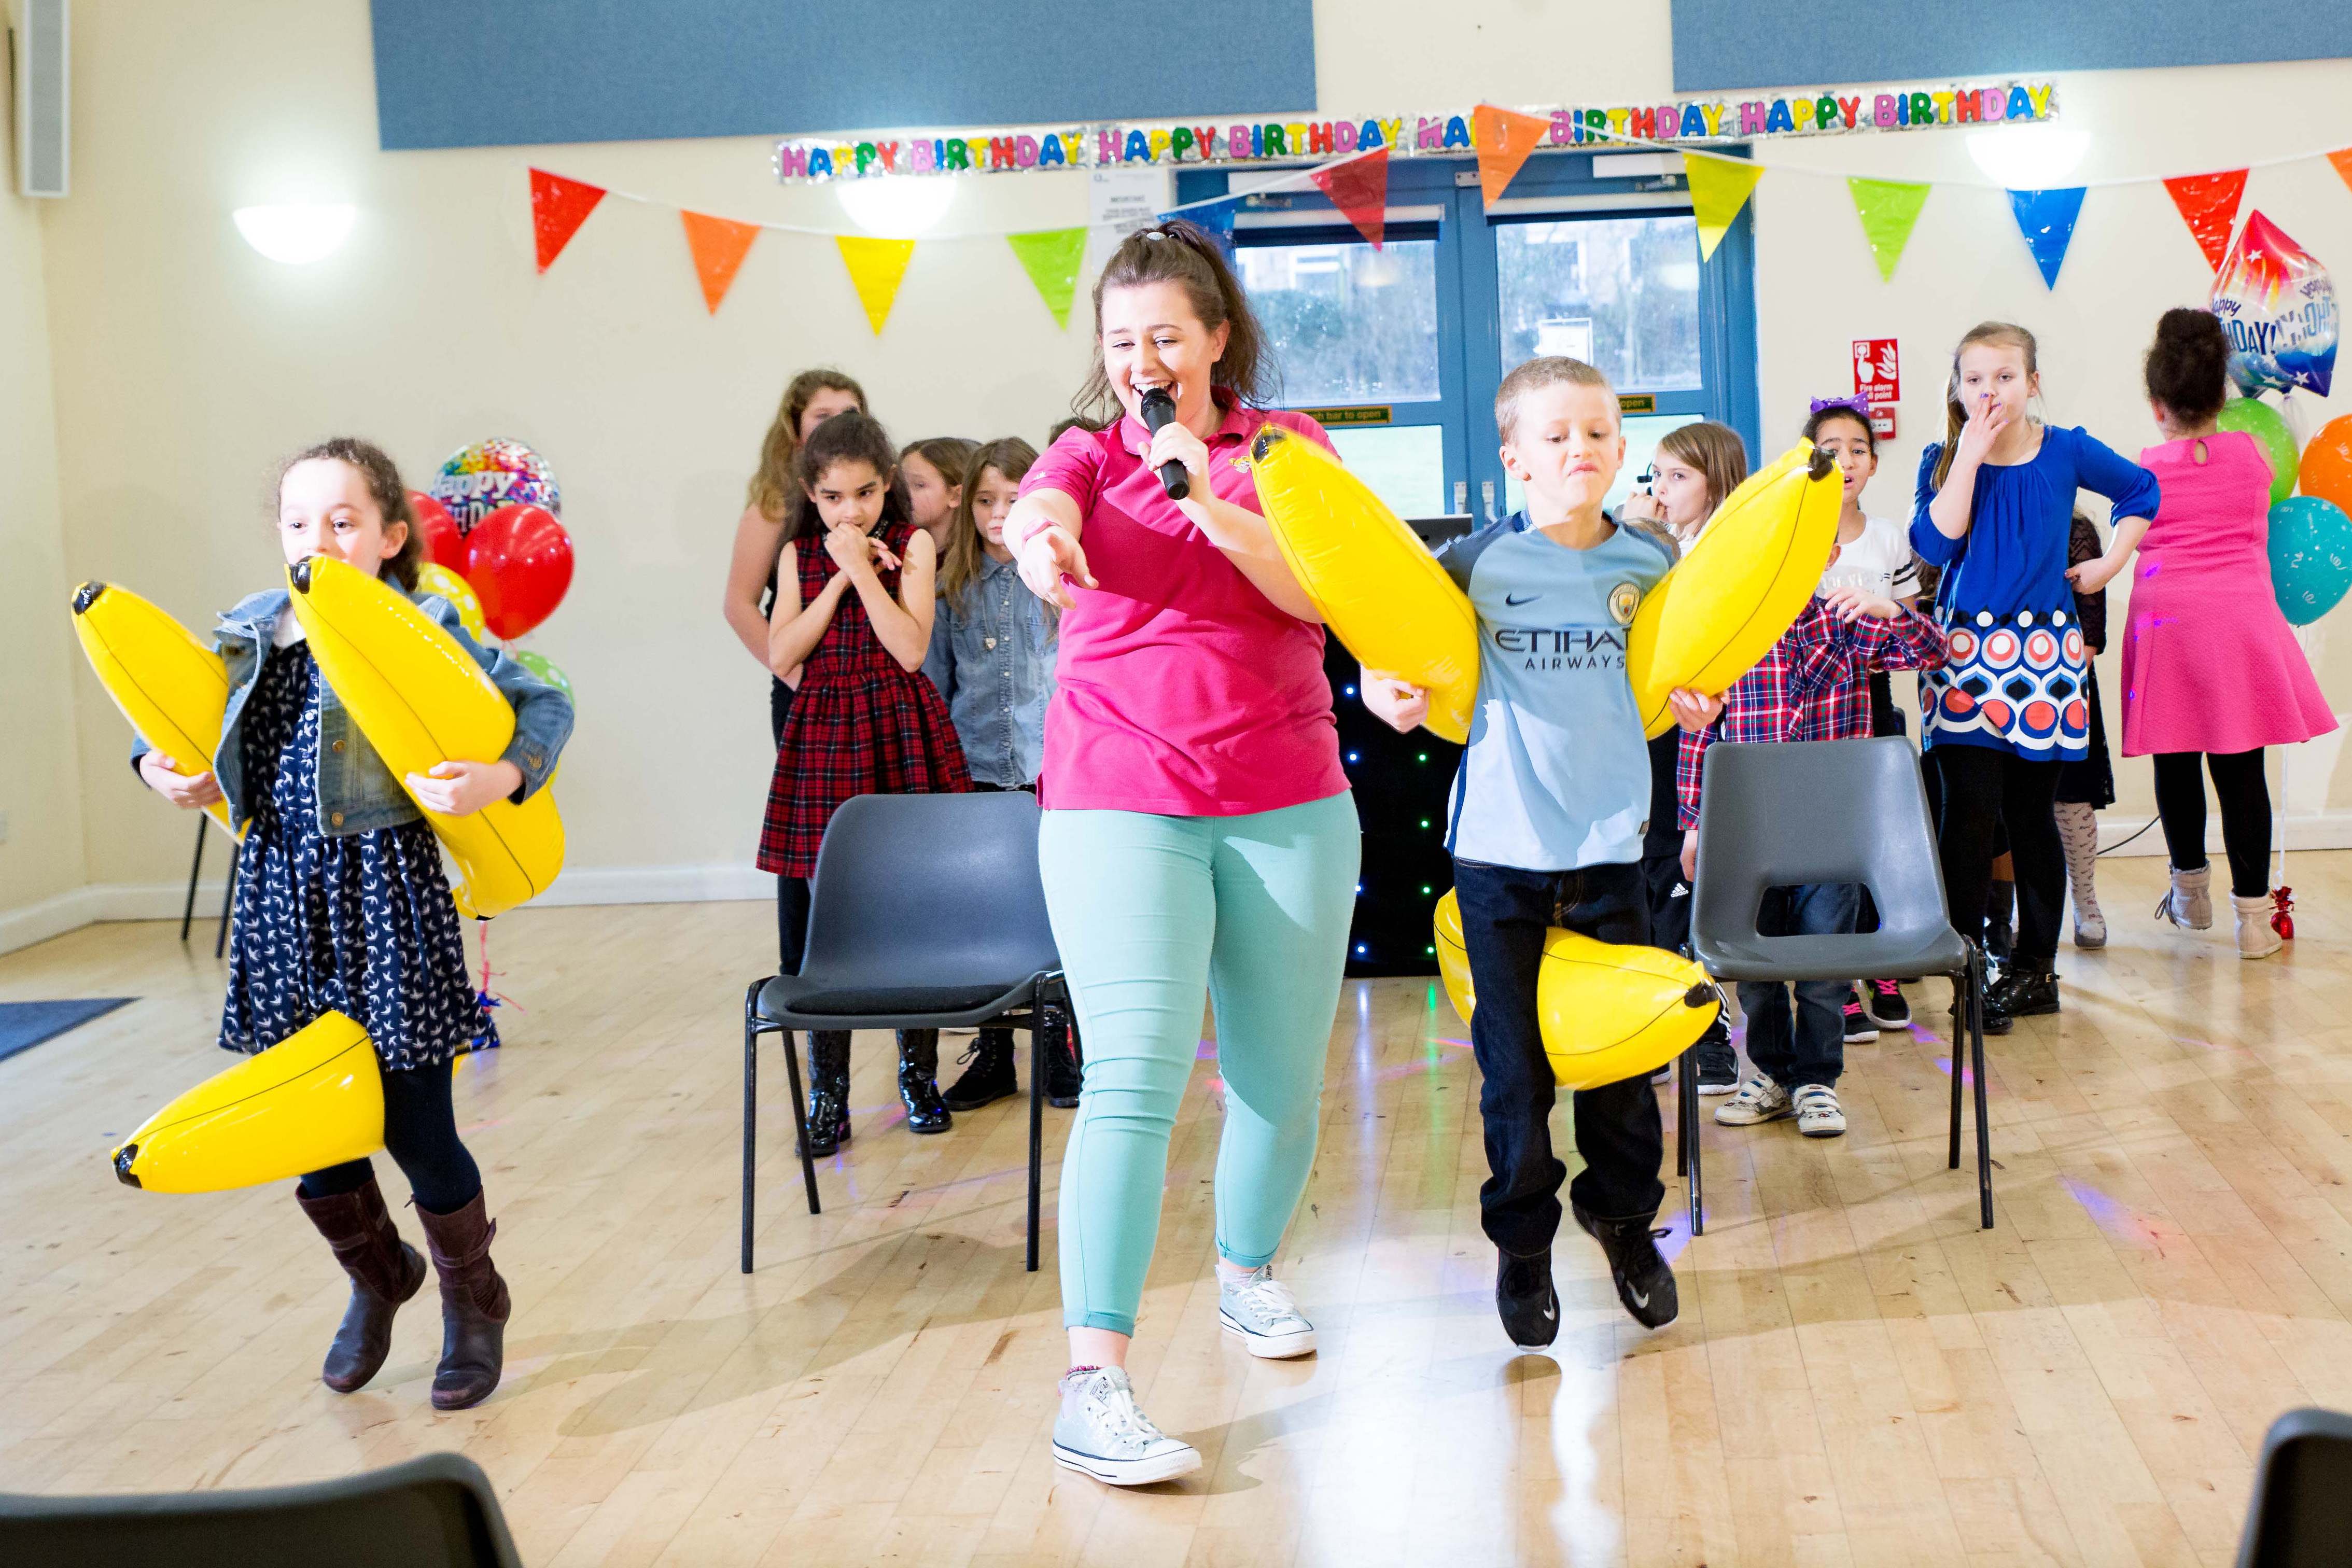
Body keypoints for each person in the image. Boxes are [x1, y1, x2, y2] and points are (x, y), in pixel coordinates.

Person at [1005, 219, 1357, 1488]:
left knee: (1274, 1080)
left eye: (1165, 335)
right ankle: (1092, 1381)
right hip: (1117, 795)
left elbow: (1322, 592)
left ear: (1216, 338)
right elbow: (1039, 509)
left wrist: (1199, 494)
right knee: (1137, 1079)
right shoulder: (1089, 451)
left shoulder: (1287, 452)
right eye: (1120, 341)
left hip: (1289, 796)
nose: (1142, 359)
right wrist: (1040, 537)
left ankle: (1248, 1273)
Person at [133, 438, 572, 1411]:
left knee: (416, 1123)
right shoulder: (251, 631)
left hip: (385, 897)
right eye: (299, 523)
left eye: (343, 521)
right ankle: (380, 1273)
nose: (318, 541)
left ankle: (474, 1297)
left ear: (389, 536)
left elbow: (543, 696)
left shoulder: (417, 626)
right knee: (311, 1125)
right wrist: (158, 768)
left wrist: (504, 774)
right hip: (281, 898)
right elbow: (160, 713)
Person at [1365, 357, 1721, 1350]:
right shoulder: (1473, 564)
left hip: (1614, 849)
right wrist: (1380, 692)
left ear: (1621, 447)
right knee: (1515, 1076)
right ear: (1514, 456)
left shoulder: (1651, 566)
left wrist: (1702, 699)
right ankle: (1523, 1246)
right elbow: (1392, 651)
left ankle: (1620, 1219)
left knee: (1620, 1067)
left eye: (1599, 432)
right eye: (1556, 435)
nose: (1581, 449)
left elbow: (1685, 671)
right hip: (1498, 856)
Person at [1912, 321, 2159, 1032]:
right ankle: (1965, 974)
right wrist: (1970, 455)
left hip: (2046, 663)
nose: (1991, 391)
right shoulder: (1944, 456)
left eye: (2006, 376)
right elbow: (1935, 542)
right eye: (1975, 379)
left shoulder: (2067, 450)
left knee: (2032, 818)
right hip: (1962, 660)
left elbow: (2142, 491)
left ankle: (2034, 971)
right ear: (1958, 389)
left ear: (2033, 382)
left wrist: (2109, 566)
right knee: (1969, 816)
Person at [2070, 307, 2336, 958]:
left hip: (2169, 622)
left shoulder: (2145, 466)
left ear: (2157, 403)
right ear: (2221, 394)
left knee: (2176, 758)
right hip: (2240, 621)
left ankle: (2190, 896)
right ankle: (2253, 924)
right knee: (2242, 768)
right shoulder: (2250, 457)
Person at [1679, 541, 1947, 1140]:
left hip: (1836, 834)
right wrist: (1695, 823)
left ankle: (1817, 1080)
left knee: (1827, 963)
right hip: (1749, 838)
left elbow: (1934, 652)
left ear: (1824, 556)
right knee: (1757, 967)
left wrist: (1888, 610)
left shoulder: (1845, 623)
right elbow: (1700, 737)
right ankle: (1774, 1075)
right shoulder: (1727, 637)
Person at [759, 412, 971, 1151]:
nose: (850, 512)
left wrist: (864, 573)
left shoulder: (911, 545)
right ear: (811, 497)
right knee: (832, 924)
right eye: (833, 498)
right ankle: (831, 1098)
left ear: (887, 488)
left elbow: (911, 650)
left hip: (897, 734)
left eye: (864, 494)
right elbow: (783, 653)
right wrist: (836, 579)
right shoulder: (794, 557)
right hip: (824, 740)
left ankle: (918, 1077)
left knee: (909, 913)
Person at [922, 437, 1082, 1113]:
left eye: (1013, 501)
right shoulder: (949, 587)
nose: (997, 514)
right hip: (979, 776)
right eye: (985, 500)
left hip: (1051, 776)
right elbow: (935, 684)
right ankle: (992, 1054)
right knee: (984, 922)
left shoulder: (1052, 582)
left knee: (1054, 917)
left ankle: (1057, 1048)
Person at [1618, 419, 1748, 1093]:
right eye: (1654, 475)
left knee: (1681, 888)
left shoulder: (1716, 554)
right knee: (1637, 887)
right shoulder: (1637, 544)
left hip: (1695, 746)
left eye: (1677, 476)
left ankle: (1705, 1033)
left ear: (1716, 483)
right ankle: (1647, 1021)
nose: (1659, 490)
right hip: (1634, 740)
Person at [724, 368, 868, 972]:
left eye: (849, 412)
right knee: (805, 826)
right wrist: (797, 678)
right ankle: (804, 971)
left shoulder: (876, 504)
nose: (835, 424)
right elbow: (738, 604)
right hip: (807, 691)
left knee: (874, 824)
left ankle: (880, 961)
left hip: (870, 692)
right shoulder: (775, 505)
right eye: (821, 414)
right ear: (795, 427)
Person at [1803, 395, 1926, 1037]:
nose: (1845, 462)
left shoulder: (1888, 538)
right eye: (1830, 451)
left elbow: (1915, 624)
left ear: (1874, 465)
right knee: (1828, 841)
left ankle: (1879, 965)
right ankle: (1838, 979)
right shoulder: (1794, 536)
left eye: (1857, 451)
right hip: (1814, 712)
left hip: (1873, 708)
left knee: (1876, 839)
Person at [2055, 512, 2116, 948]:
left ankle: (2086, 900)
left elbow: (2091, 627)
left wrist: (2058, 685)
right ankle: (2018, 908)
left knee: (2071, 798)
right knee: (2012, 806)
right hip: (1997, 679)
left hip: (2064, 678)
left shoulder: (2075, 529)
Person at [901, 436, 979, 564]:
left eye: (919, 485)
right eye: (902, 484)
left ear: (956, 496)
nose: (904, 493)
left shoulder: (973, 561)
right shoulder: (901, 546)